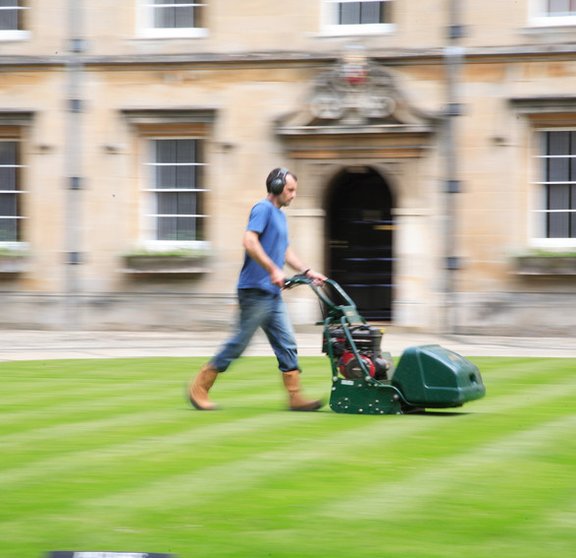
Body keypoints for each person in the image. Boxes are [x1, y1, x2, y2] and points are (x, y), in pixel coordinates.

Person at [188, 167, 326, 412]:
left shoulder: (280, 217)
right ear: (275, 187)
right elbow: (249, 241)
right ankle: (199, 387)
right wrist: (273, 270)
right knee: (240, 342)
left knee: (287, 343)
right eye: (290, 189)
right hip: (254, 291)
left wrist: (307, 271)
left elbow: (284, 251)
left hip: (272, 294)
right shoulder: (262, 209)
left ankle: (295, 397)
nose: (294, 195)